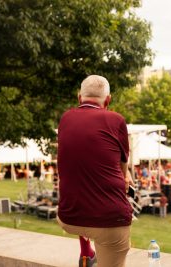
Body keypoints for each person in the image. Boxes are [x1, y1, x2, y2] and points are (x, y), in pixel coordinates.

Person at [57, 75, 132, 267]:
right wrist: (126, 176)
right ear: (108, 100)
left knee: (87, 185)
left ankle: (86, 252)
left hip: (68, 217)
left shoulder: (65, 119)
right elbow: (123, 172)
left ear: (79, 97)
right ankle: (91, 254)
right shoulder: (116, 120)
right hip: (110, 220)